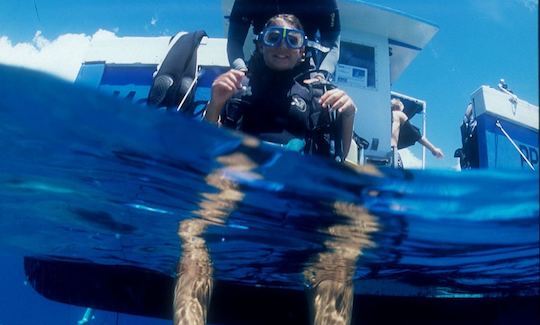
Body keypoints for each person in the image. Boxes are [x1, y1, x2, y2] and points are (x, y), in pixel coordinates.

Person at [206, 14, 355, 160]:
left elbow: (340, 155)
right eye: (273, 38)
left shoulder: (316, 95)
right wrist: (215, 105)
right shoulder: (237, 86)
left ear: (302, 51)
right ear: (261, 46)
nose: (282, 46)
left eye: (292, 40)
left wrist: (349, 114)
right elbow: (207, 144)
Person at [227, 0, 341, 77]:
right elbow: (234, 41)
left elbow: (332, 45)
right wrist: (240, 70)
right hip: (260, 67)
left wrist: (322, 75)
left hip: (304, 69)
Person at [391, 98, 443, 167]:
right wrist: (434, 149)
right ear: (397, 107)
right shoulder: (399, 114)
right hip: (391, 152)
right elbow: (417, 135)